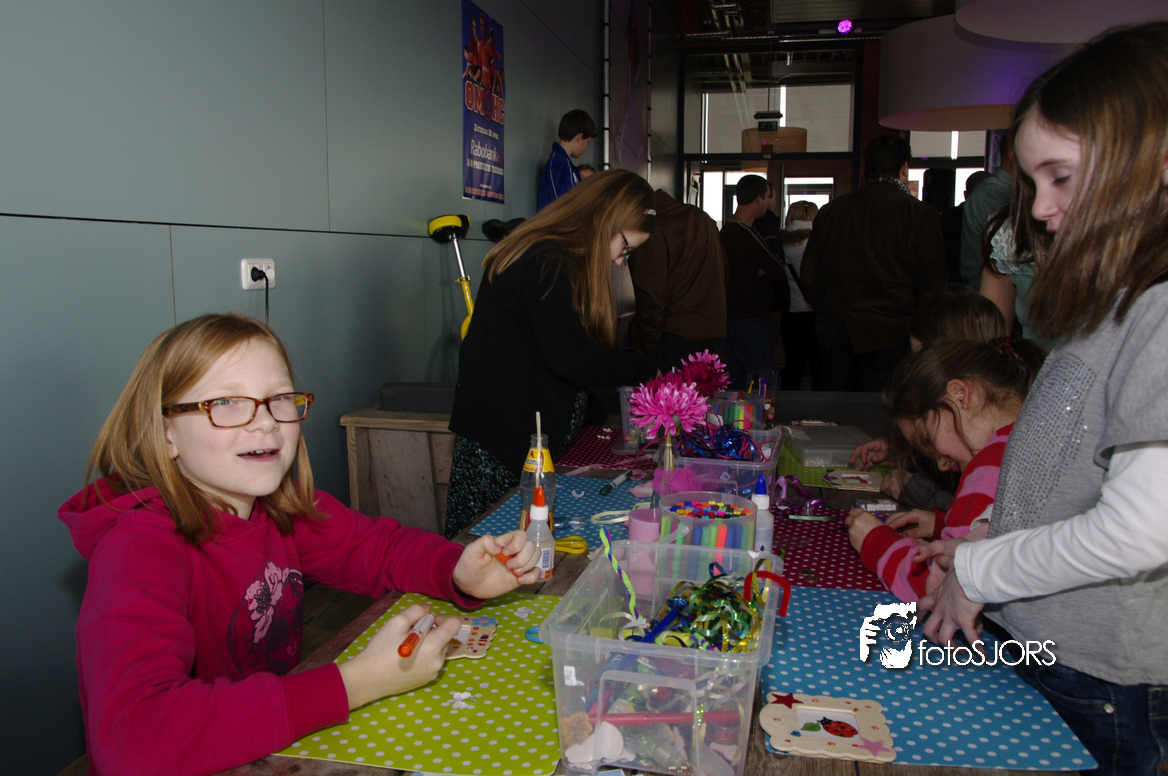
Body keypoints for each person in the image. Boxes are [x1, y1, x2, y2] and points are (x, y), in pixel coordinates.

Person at [58, 313, 539, 776]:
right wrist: (355, 683)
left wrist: (456, 570)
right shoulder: (138, 549)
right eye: (227, 402)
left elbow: (374, 548)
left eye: (279, 399)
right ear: (166, 434)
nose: (265, 422)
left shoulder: (280, 508)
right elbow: (133, 738)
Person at [918, 23, 1168, 775]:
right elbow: (1071, 468)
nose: (1040, 209)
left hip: (1105, 677)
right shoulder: (1120, 297)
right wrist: (992, 534)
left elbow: (1139, 531)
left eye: (1060, 177)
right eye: (1035, 184)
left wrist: (980, 570)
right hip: (1061, 653)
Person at [448, 169, 660, 537]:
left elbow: (555, 352)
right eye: (625, 247)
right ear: (605, 219)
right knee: (491, 546)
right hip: (501, 446)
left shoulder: (558, 258)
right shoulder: (545, 259)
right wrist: (646, 370)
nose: (620, 261)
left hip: (519, 439)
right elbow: (571, 357)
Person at [845, 337, 1045, 602]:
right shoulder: (1035, 438)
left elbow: (942, 586)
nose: (941, 464)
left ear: (960, 394)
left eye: (928, 439)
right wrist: (943, 524)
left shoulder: (993, 462)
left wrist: (877, 544)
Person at [801, 134, 948, 392]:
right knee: (881, 410)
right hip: (891, 333)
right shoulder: (919, 214)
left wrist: (828, 309)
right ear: (904, 167)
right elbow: (932, 286)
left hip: (835, 330)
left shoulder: (833, 210)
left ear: (866, 167)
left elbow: (809, 275)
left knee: (833, 410)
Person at [851, 284, 1009, 511]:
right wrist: (906, 447)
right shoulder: (979, 421)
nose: (913, 365)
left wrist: (920, 491)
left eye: (918, 353)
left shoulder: (994, 452)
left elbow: (972, 513)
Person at [626, 188, 729, 372]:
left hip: (675, 339)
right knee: (708, 391)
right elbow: (725, 272)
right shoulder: (703, 219)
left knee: (671, 392)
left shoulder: (651, 228)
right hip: (715, 335)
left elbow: (650, 298)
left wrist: (646, 349)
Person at [719, 174, 790, 389]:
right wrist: (762, 271)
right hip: (750, 319)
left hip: (733, 316)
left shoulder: (727, 231)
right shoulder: (744, 232)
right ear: (759, 199)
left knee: (737, 380)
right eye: (768, 197)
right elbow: (777, 267)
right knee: (760, 381)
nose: (769, 203)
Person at [778, 201, 822, 391]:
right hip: (814, 312)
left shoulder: (779, 243)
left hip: (790, 312)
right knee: (818, 366)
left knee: (793, 365)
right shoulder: (818, 243)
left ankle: (788, 404)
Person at [537, 109, 596, 210]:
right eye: (587, 142)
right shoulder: (559, 165)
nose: (586, 146)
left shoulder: (566, 166)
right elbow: (565, 210)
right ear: (580, 137)